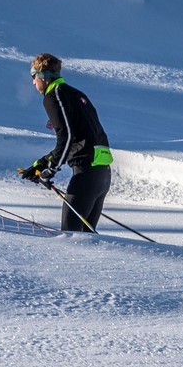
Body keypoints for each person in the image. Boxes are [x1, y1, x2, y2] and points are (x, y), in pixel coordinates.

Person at [19, 53, 113, 232]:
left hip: (87, 174)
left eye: (33, 76)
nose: (32, 82)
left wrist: (50, 169)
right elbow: (80, 137)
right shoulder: (76, 94)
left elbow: (66, 137)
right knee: (86, 239)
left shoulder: (53, 96)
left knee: (71, 238)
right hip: (102, 174)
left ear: (43, 77)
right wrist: (43, 163)